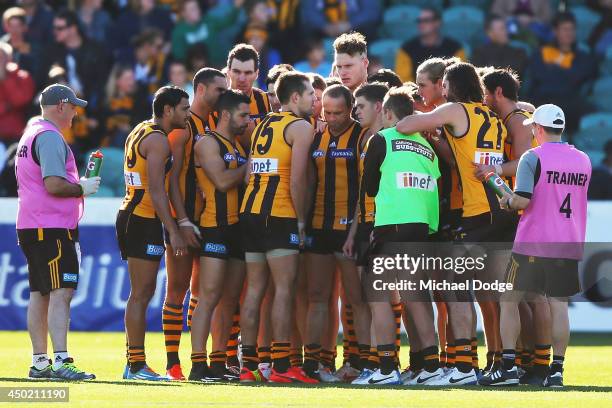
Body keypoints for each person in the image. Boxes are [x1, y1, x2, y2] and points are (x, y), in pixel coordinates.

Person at [396, 62, 510, 385]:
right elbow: (459, 158)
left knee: (458, 292)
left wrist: (414, 120)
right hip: (501, 211)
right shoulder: (490, 117)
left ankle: (462, 368)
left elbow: (406, 125)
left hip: (475, 212)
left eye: (444, 84)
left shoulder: (455, 109)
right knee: (492, 294)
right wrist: (439, 142)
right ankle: (502, 365)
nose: (441, 90)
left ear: (452, 86)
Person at [480, 104, 591, 389]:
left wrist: (503, 195)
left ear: (539, 129)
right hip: (568, 242)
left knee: (509, 300)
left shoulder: (533, 156)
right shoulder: (583, 159)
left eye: (533, 128)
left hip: (533, 242)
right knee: (558, 306)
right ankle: (556, 371)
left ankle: (507, 368)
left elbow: (522, 201)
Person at [360, 85, 443, 386]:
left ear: (387, 112)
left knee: (378, 295)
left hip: (392, 224)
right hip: (421, 226)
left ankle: (385, 368)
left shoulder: (382, 138)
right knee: (417, 296)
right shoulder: (428, 147)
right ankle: (431, 365)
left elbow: (370, 187)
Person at [16, 83, 99, 380]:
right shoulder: (50, 136)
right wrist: (81, 188)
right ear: (61, 105)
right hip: (51, 226)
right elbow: (53, 184)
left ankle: (40, 362)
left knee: (41, 294)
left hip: (33, 224)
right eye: (74, 106)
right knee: (61, 292)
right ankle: (62, 360)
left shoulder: (31, 133)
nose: (76, 112)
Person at [238, 71, 317, 383]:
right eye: (310, 94)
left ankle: (248, 367)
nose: (315, 100)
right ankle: (283, 367)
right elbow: (297, 178)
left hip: (251, 212)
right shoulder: (301, 127)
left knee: (256, 291)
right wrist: (300, 219)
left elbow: (250, 172)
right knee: (284, 289)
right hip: (279, 214)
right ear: (295, 97)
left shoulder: (263, 124)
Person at [116, 86, 189, 381]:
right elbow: (157, 191)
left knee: (141, 293)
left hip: (133, 214)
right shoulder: (158, 140)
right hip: (142, 218)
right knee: (141, 293)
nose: (187, 113)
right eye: (184, 108)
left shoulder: (141, 129)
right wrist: (174, 231)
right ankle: (135, 365)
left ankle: (134, 363)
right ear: (168, 110)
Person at [302, 84, 371, 382]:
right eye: (327, 112)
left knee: (356, 300)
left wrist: (354, 232)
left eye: (338, 112)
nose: (331, 118)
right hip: (319, 226)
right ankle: (313, 362)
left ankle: (361, 361)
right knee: (317, 295)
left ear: (351, 108)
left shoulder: (361, 136)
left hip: (348, 230)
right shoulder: (317, 135)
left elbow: (365, 190)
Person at [164, 68, 227, 380]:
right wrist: (181, 222)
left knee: (203, 292)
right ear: (201, 89)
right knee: (176, 290)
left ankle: (199, 359)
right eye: (219, 89)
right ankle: (172, 361)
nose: (223, 95)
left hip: (208, 219)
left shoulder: (213, 122)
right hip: (183, 219)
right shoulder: (181, 127)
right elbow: (171, 178)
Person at [189, 89, 250, 382]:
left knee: (229, 300)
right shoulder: (207, 143)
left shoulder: (235, 145)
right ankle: (197, 364)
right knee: (208, 297)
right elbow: (223, 182)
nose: (247, 120)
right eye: (243, 115)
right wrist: (251, 167)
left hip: (238, 230)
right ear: (225, 114)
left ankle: (218, 363)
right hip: (215, 226)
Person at [527, 12, 598, 132]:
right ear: (555, 31)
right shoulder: (541, 53)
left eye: (572, 29)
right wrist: (565, 72)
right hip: (543, 100)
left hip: (572, 102)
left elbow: (579, 77)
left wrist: (554, 69)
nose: (569, 33)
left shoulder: (583, 56)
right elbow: (539, 75)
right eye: (565, 29)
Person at [395, 7, 465, 83]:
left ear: (437, 23)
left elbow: (459, 79)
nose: (421, 24)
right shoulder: (406, 49)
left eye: (426, 21)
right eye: (419, 21)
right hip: (417, 93)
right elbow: (404, 81)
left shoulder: (455, 48)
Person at [226, 43, 272, 150]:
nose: (242, 79)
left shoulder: (266, 100)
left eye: (247, 73)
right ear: (228, 72)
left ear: (256, 74)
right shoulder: (215, 102)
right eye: (236, 72)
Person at [0, 42, 35, 145]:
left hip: (15, 133)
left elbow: (20, 100)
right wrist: (6, 107)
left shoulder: (21, 76)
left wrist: (5, 79)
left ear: (9, 59)